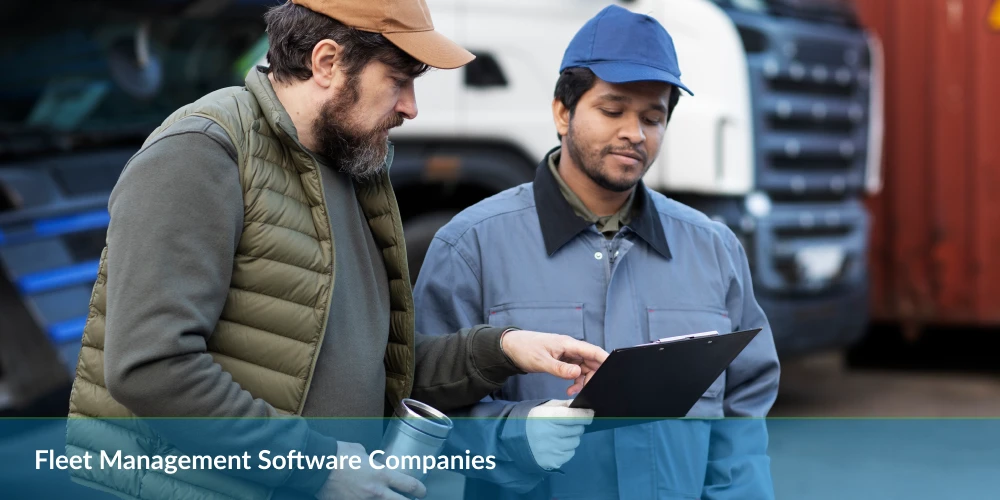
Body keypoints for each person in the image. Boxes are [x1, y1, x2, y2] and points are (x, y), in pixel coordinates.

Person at [63, 1, 607, 499]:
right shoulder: (201, 152)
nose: (411, 108)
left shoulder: (351, 169)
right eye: (398, 81)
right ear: (326, 62)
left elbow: (369, 366)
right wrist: (317, 467)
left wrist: (501, 349)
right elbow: (151, 369)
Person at [413, 5, 781, 499]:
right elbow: (424, 407)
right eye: (613, 110)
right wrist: (514, 435)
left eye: (654, 117)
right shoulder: (472, 246)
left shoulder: (712, 249)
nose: (635, 132)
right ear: (562, 111)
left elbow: (744, 410)